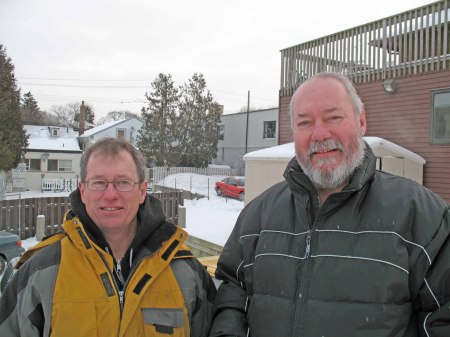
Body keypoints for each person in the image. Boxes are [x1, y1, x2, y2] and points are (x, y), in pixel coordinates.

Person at [209, 72, 450, 336]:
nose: (320, 134)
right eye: (305, 123)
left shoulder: (421, 215)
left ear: (361, 121)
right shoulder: (258, 215)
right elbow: (231, 292)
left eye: (334, 117)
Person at [0, 137, 216, 337]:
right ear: (83, 191)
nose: (111, 194)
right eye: (99, 182)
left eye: (123, 182)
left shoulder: (186, 272)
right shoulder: (41, 271)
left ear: (142, 191)